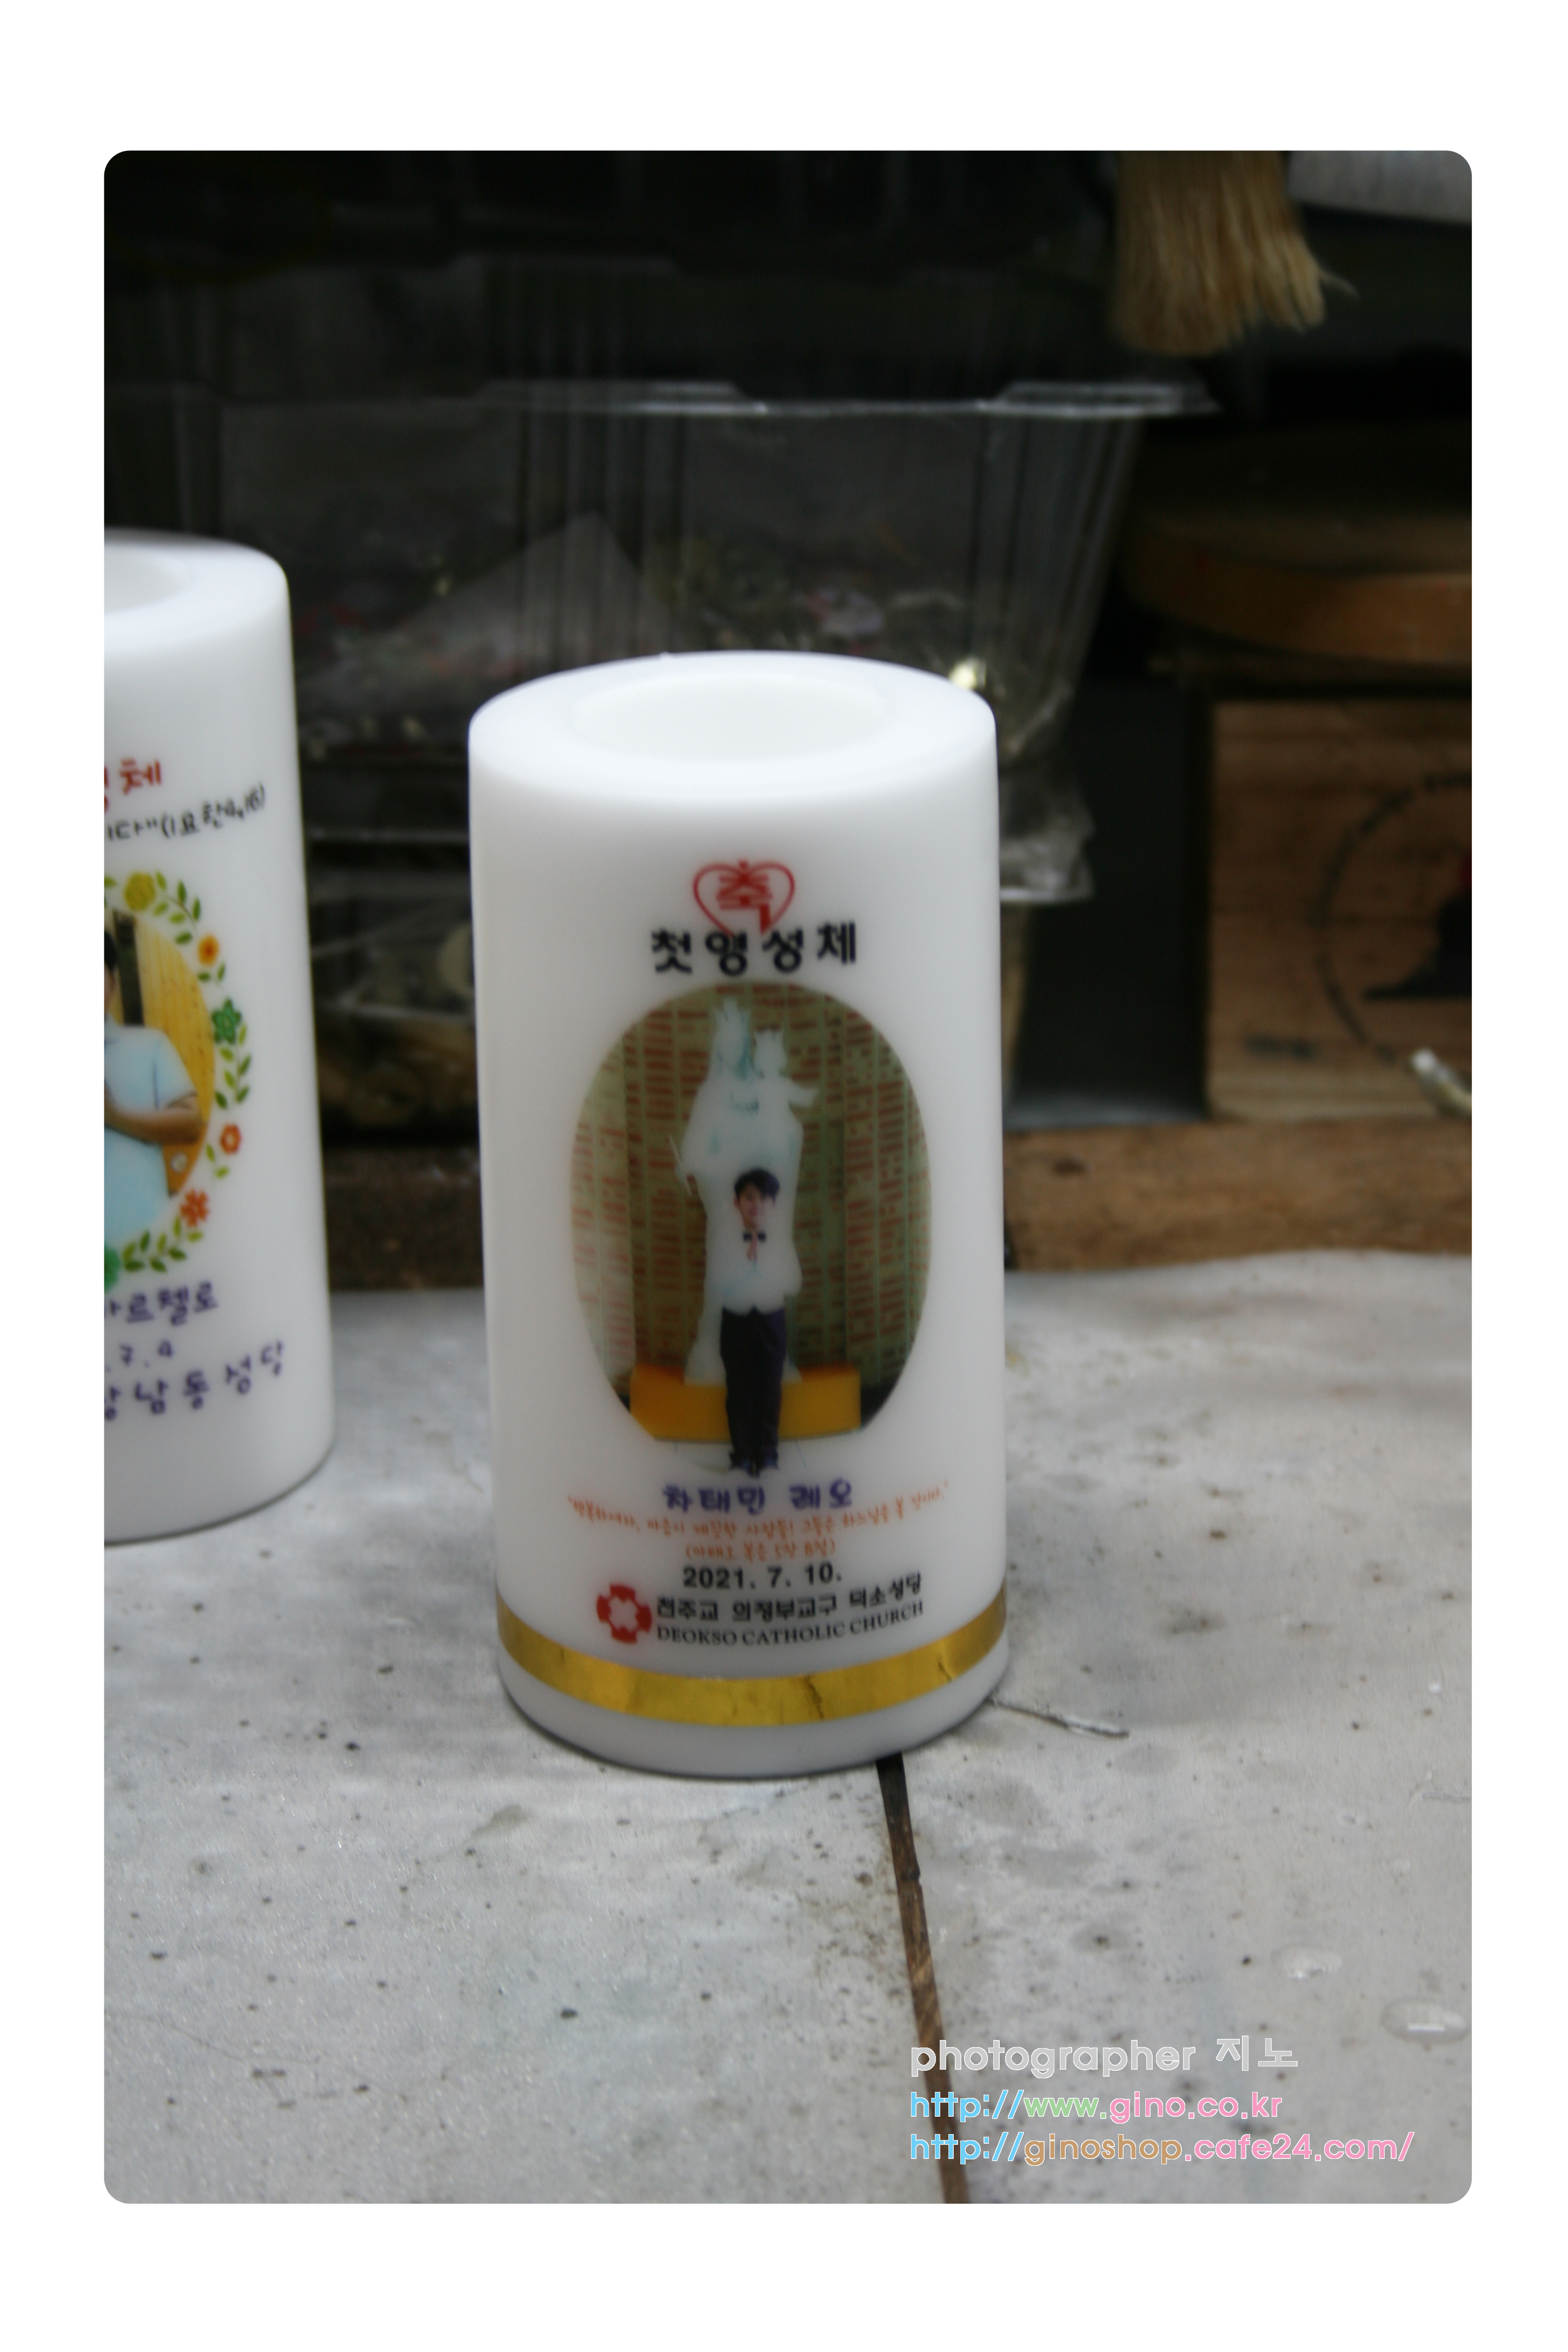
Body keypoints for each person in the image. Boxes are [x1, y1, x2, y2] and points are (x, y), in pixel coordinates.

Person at [105, 929, 203, 1247]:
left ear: (112, 982)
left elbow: (190, 1122)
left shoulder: (150, 1046)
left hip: (144, 1229)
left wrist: (113, 1116)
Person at [718, 1167, 796, 1476]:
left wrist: (762, 1267)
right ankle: (740, 1457)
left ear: (773, 1204)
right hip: (735, 1321)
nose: (757, 1205)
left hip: (771, 1321)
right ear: (737, 1202)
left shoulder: (781, 1243)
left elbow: (793, 1283)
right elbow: (718, 1284)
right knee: (739, 1391)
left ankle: (767, 1457)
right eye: (749, 1197)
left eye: (764, 1198)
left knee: (769, 1391)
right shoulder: (724, 1243)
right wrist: (745, 1265)